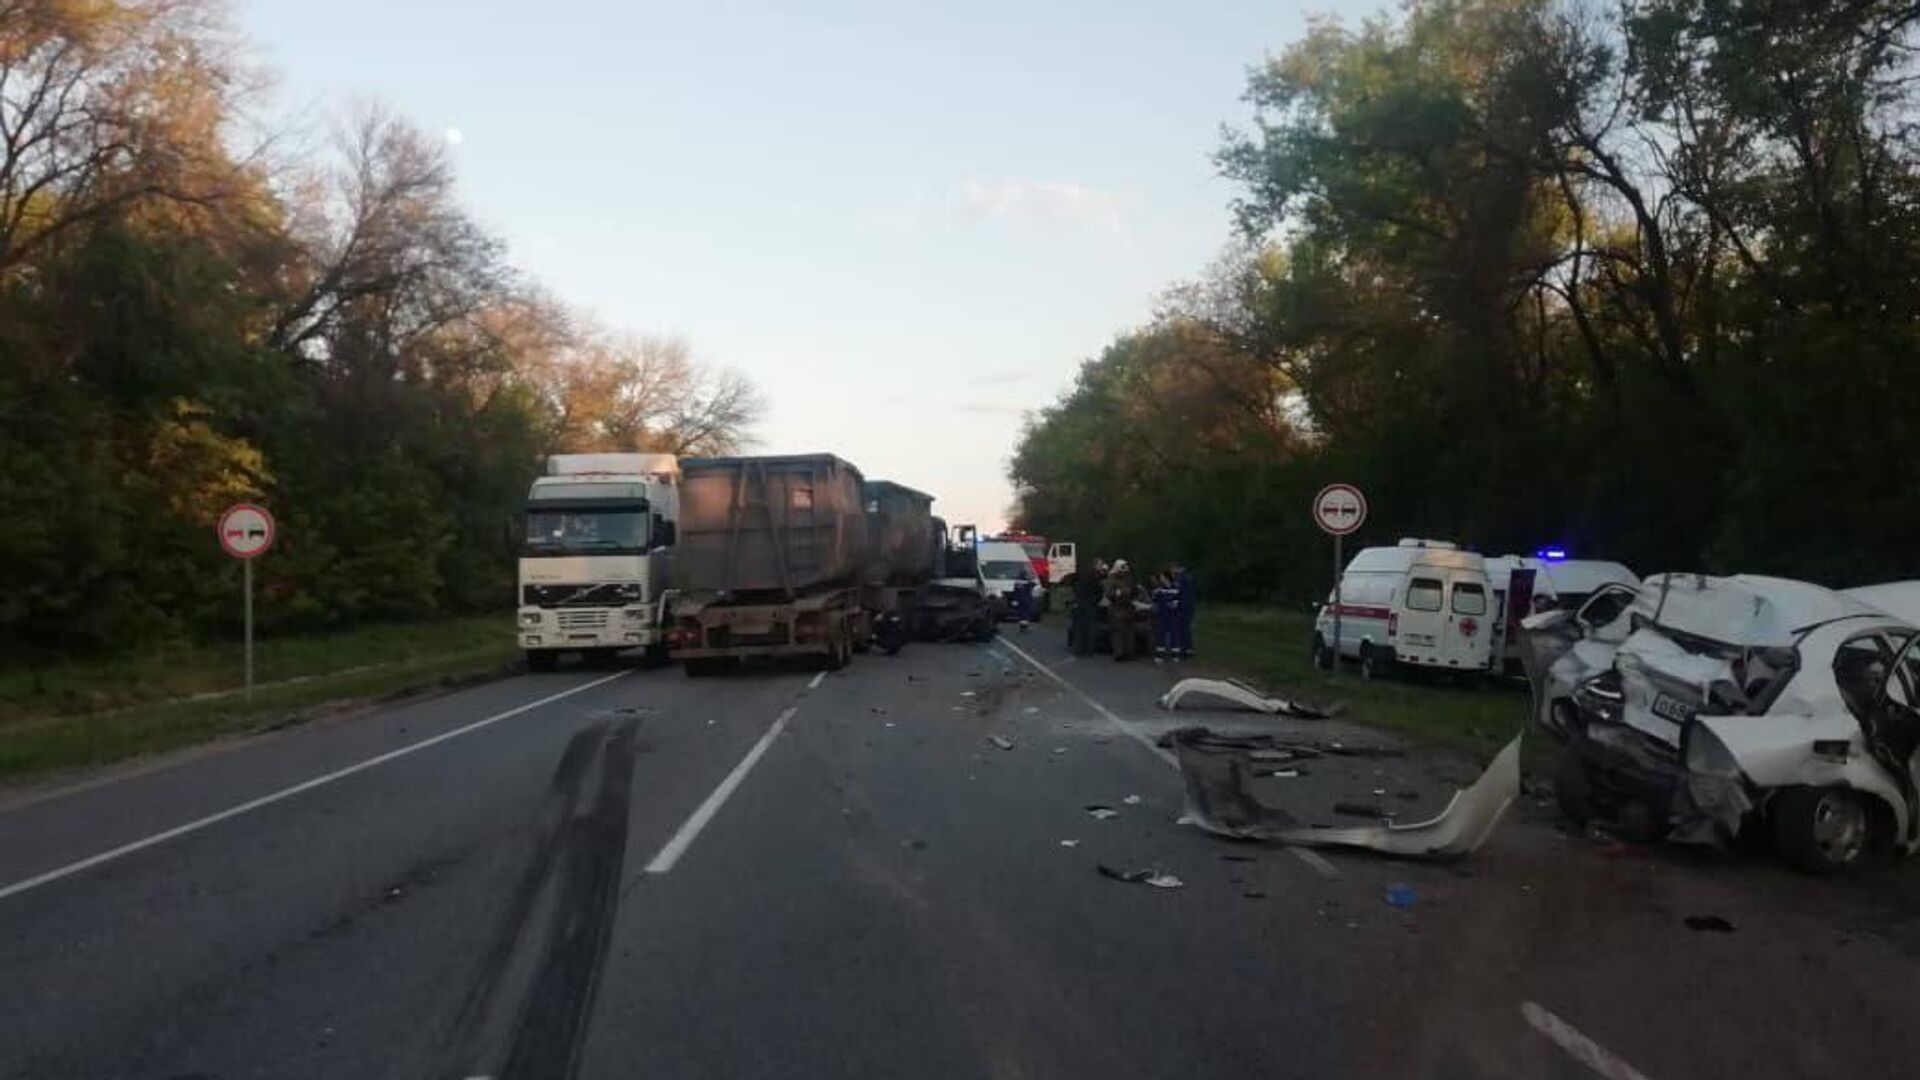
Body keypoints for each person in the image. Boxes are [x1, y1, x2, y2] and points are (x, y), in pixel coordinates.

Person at [1070, 559, 1105, 655]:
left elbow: (1077, 587)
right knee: (1090, 627)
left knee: (1080, 627)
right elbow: (1099, 590)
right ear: (1096, 565)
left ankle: (1079, 648)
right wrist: (1096, 600)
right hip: (1090, 603)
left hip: (1082, 602)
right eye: (1100, 565)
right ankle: (1088, 649)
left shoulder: (1084, 574)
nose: (1101, 567)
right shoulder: (1096, 575)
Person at [1105, 560, 1138, 661]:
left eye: (1125, 569)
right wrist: (1120, 592)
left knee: (1129, 632)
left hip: (1128, 608)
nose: (1124, 571)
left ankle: (1129, 653)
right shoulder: (1112, 578)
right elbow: (1109, 593)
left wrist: (1130, 592)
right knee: (1118, 632)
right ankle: (1119, 653)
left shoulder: (1128, 578)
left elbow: (1134, 591)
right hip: (1117, 608)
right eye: (1122, 568)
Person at [1150, 570, 1178, 661]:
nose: (1161, 579)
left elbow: (1177, 602)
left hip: (1172, 615)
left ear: (1166, 578)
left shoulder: (1175, 589)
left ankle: (1175, 655)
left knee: (1174, 635)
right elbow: (1154, 602)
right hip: (1161, 615)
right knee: (1160, 635)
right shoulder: (1158, 590)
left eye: (1162, 577)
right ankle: (1160, 655)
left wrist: (1173, 604)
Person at [1172, 562, 1196, 660]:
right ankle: (1188, 650)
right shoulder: (1188, 577)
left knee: (1182, 630)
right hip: (1188, 607)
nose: (1173, 570)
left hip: (1184, 608)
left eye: (1174, 568)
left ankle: (1184, 652)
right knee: (1186, 630)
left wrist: (1177, 603)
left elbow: (1181, 593)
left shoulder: (1182, 578)